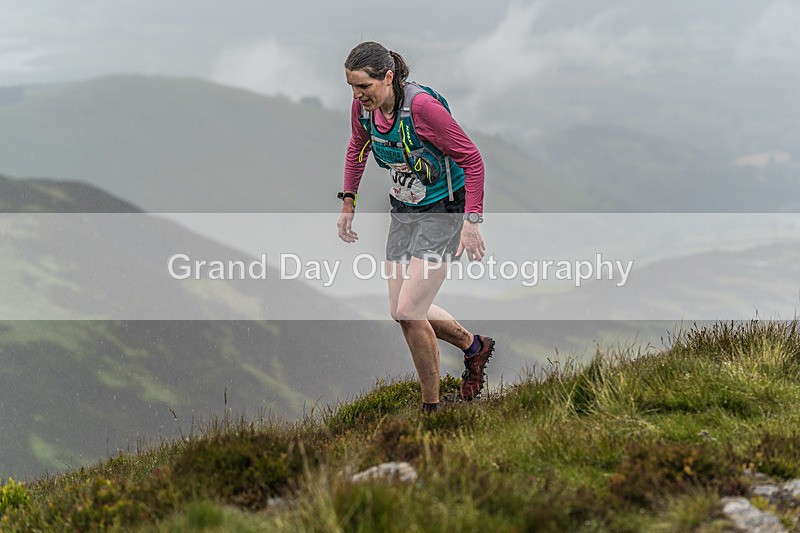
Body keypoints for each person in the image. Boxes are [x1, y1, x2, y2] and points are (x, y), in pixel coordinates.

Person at [337, 41, 495, 412]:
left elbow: (472, 159)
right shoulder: (364, 111)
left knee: (410, 310)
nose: (358, 96)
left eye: (365, 87)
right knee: (401, 311)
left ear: (388, 77)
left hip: (444, 210)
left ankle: (432, 409)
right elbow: (356, 147)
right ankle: (475, 347)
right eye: (352, 88)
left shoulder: (422, 108)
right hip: (404, 210)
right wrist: (348, 202)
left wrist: (471, 222)